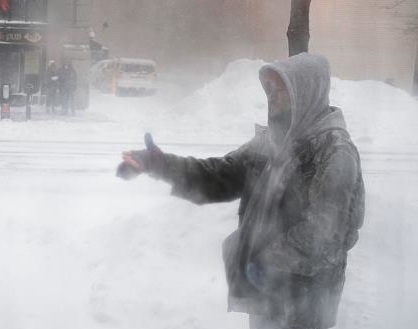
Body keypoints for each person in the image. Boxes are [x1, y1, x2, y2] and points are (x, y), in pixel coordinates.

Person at [117, 54, 365, 329]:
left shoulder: (334, 152)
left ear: (305, 90)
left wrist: (269, 262)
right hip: (267, 297)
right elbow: (216, 176)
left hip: (305, 306)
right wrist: (159, 164)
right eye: (269, 88)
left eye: (280, 88)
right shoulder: (272, 142)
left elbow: (323, 235)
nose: (272, 96)